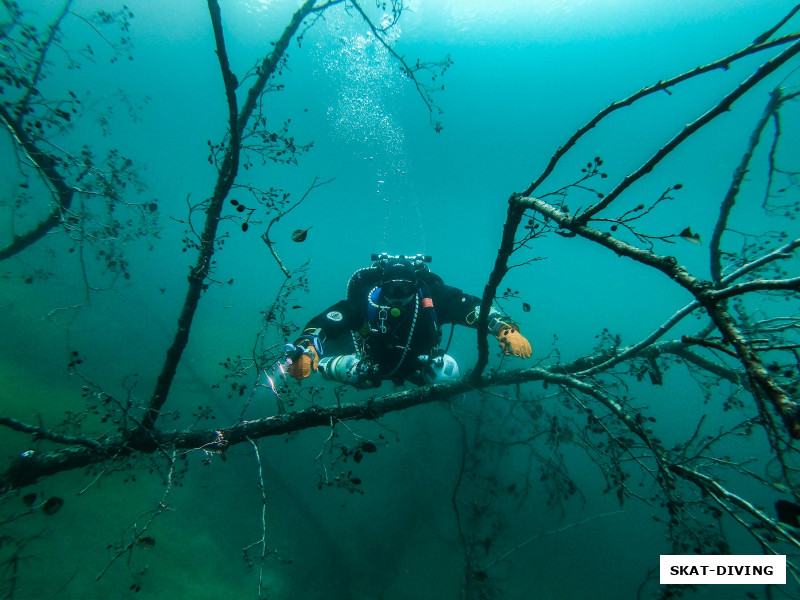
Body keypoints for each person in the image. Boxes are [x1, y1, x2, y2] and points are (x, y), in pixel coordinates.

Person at [285, 253, 532, 388]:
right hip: (367, 364)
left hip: (418, 365)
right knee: (344, 370)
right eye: (392, 290)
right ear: (381, 287)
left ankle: (446, 396)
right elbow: (331, 319)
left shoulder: (432, 297)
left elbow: (468, 305)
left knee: (449, 374)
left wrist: (502, 327)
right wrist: (308, 345)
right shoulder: (367, 301)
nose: (398, 298)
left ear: (416, 286)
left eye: (406, 290)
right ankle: (322, 363)